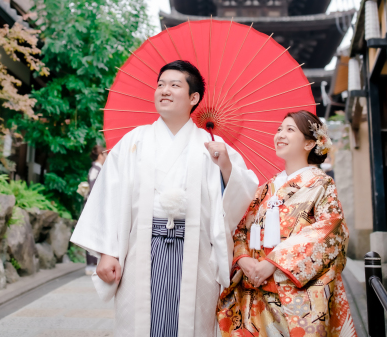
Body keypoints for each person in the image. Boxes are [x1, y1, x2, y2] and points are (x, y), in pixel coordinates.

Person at [71, 60, 259, 337]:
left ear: (193, 98)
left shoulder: (213, 148)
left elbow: (244, 198)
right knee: (139, 323)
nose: (164, 90)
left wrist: (226, 167)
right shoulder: (134, 141)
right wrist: (108, 252)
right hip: (139, 249)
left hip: (196, 254)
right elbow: (109, 196)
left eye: (174, 85)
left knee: (190, 324)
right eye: (160, 85)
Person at [217, 110, 356, 337]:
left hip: (297, 294)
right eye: (279, 129)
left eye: (290, 130)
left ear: (310, 143)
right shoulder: (266, 189)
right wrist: (243, 260)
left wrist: (273, 262)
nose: (280, 134)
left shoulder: (321, 183)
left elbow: (330, 231)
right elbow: (241, 229)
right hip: (256, 289)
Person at [83, 143, 108, 274]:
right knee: (93, 234)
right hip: (94, 206)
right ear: (100, 155)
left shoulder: (99, 169)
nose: (106, 157)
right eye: (105, 154)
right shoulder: (96, 169)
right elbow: (94, 189)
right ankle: (91, 264)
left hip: (96, 205)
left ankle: (94, 263)